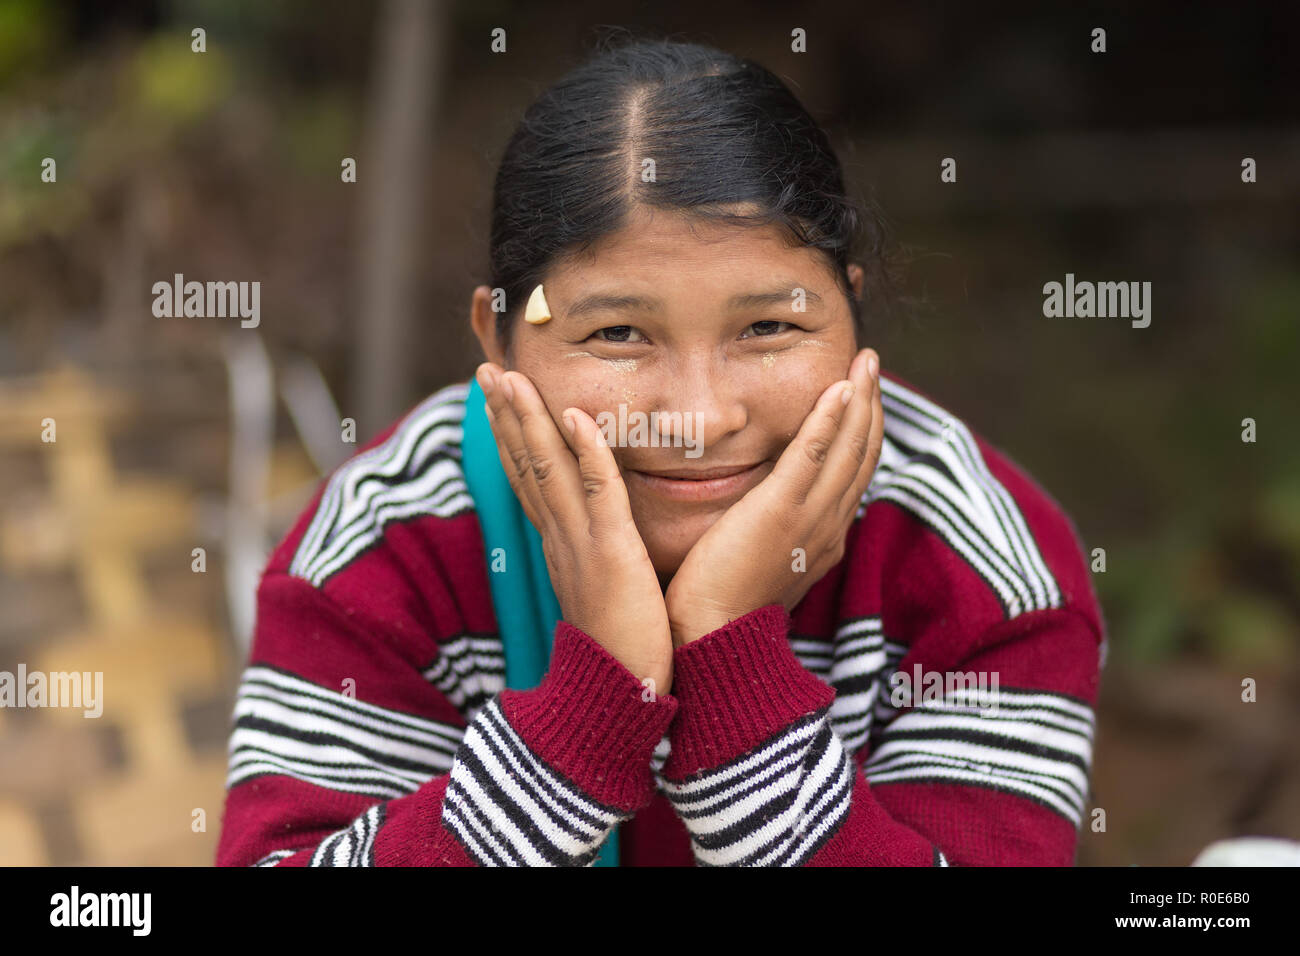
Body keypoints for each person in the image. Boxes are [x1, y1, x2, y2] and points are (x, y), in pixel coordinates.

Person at [215, 36, 1105, 867]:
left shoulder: (981, 566)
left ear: (854, 316)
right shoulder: (387, 546)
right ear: (497, 341)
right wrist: (579, 723)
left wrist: (731, 660)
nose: (700, 416)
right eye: (617, 333)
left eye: (768, 326)